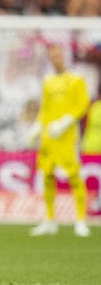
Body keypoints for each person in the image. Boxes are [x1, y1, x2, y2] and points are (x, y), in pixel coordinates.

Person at [28, 43, 91, 237]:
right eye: (52, 56)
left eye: (57, 55)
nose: (55, 59)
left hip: (67, 137)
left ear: (63, 56)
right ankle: (49, 220)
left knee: (74, 176)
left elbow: (82, 105)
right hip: (48, 137)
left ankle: (80, 220)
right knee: (47, 175)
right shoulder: (48, 81)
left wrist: (66, 122)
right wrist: (37, 126)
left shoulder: (76, 80)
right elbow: (45, 108)